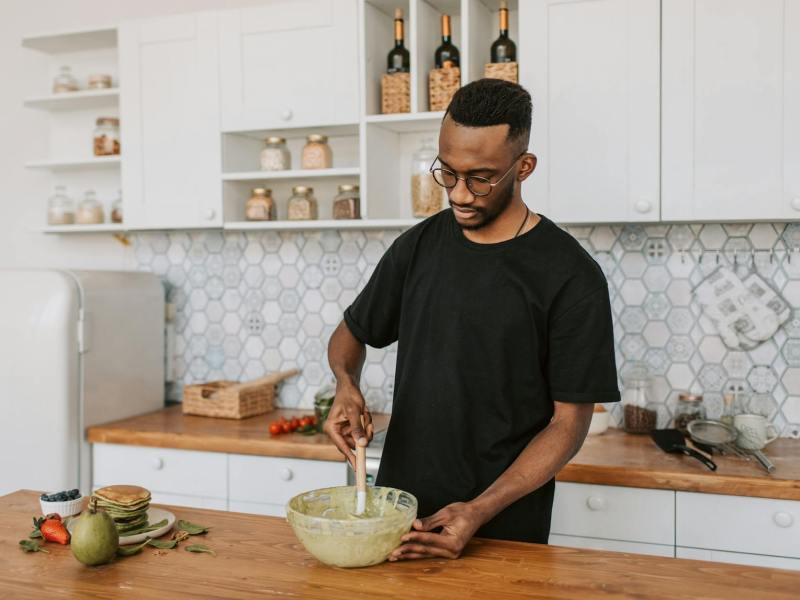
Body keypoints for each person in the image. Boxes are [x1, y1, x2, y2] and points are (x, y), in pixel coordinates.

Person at [324, 79, 620, 561]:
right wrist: (345, 383)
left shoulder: (570, 275)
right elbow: (351, 335)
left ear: (524, 167)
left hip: (504, 529)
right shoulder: (418, 247)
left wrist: (479, 510)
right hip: (403, 519)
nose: (460, 193)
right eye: (449, 173)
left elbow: (569, 424)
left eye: (481, 177)